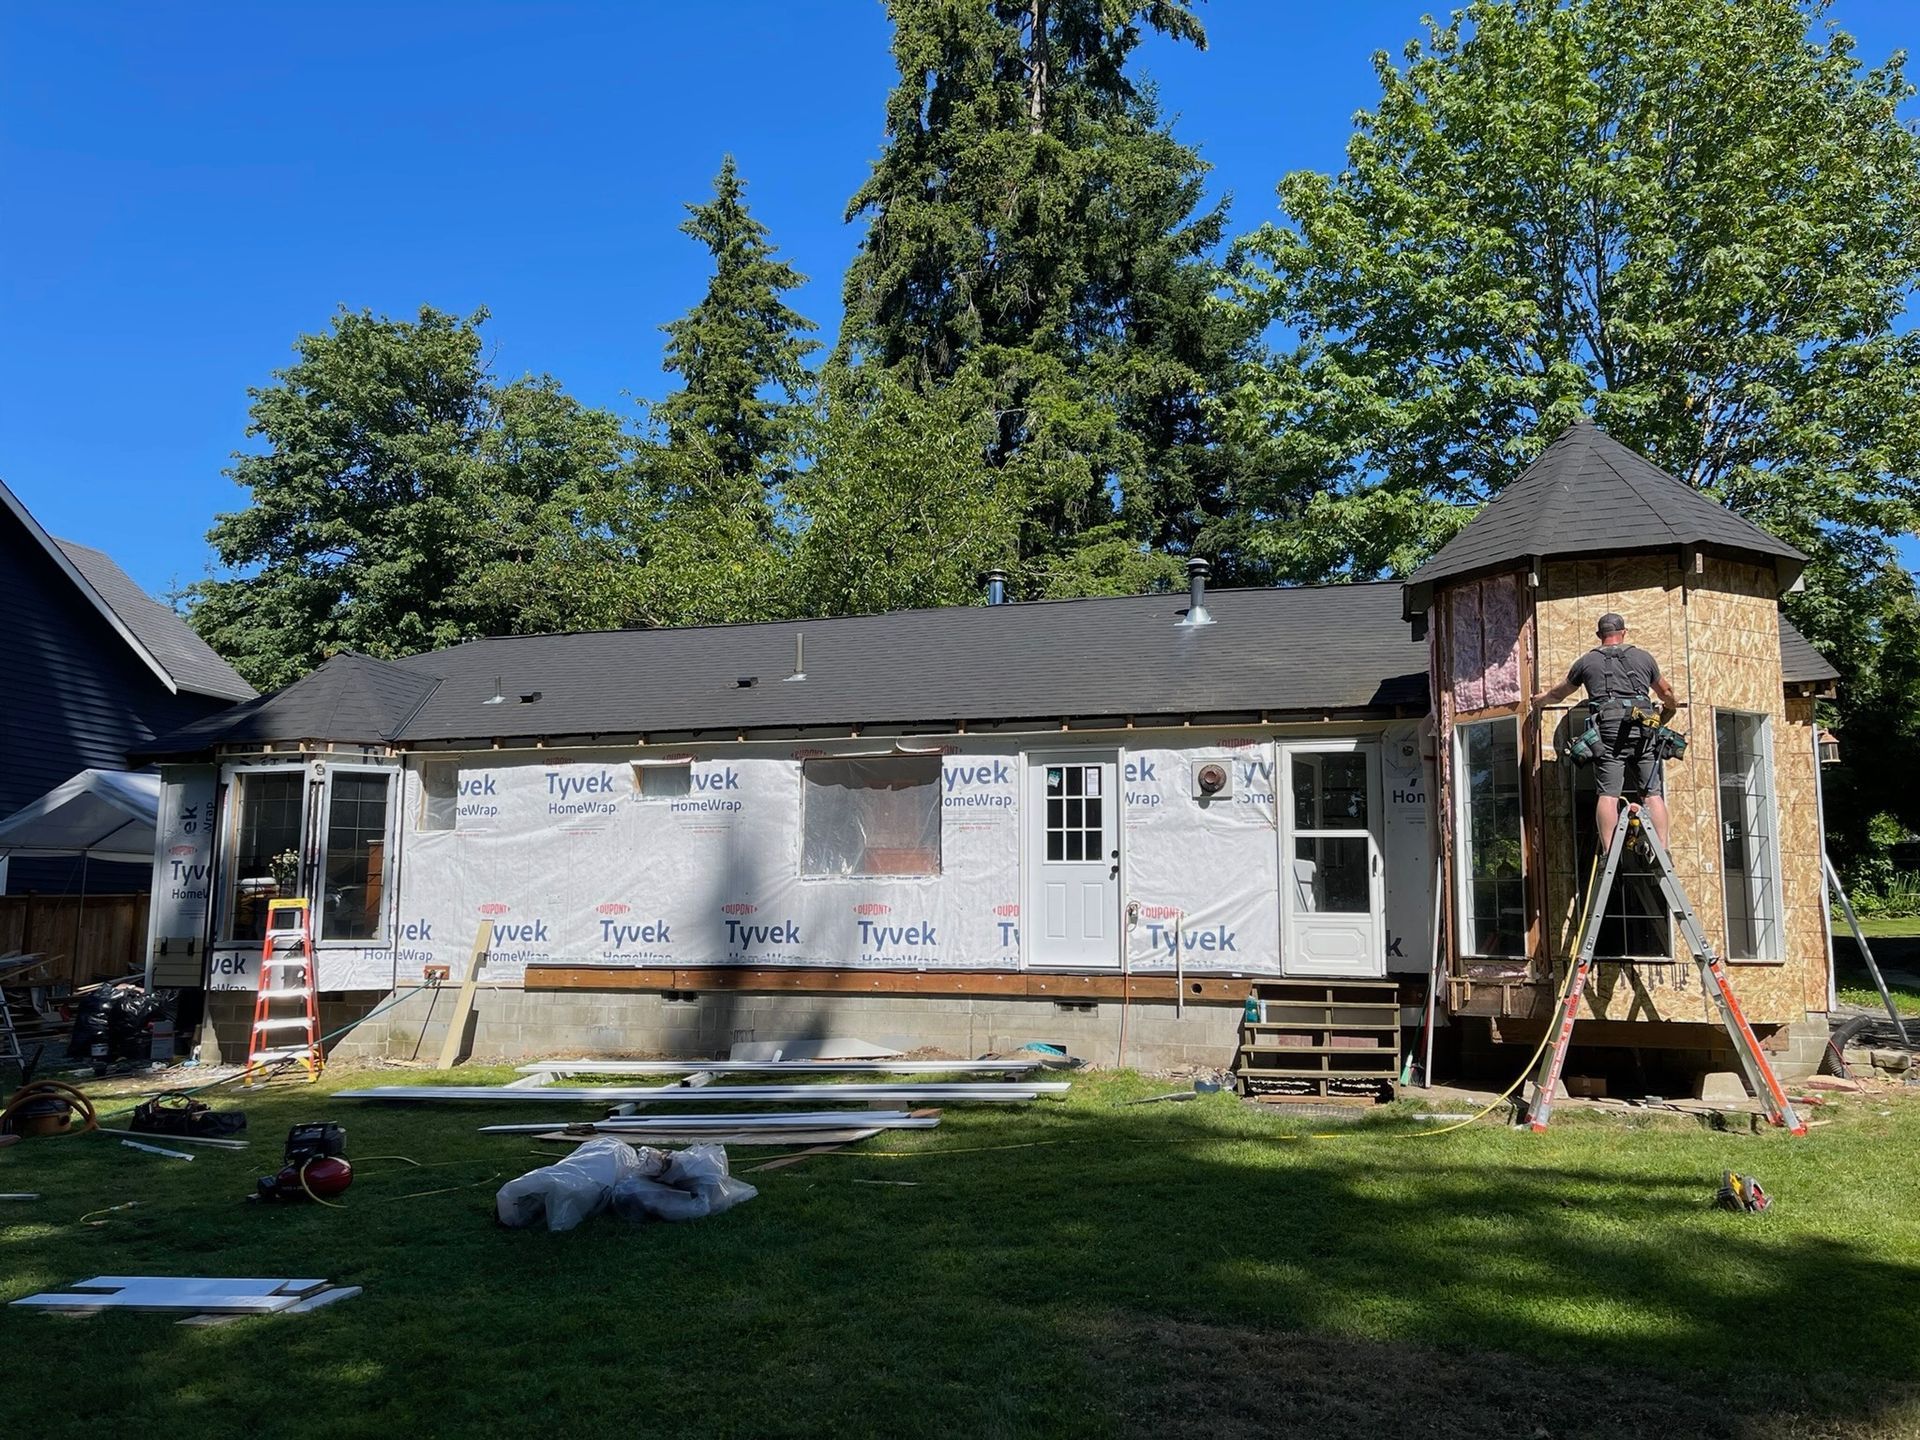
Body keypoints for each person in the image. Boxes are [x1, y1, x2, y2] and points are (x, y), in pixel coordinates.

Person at [1530, 612, 1678, 854]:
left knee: (1608, 794)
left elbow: (1559, 694)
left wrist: (1540, 700)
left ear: (1600, 636)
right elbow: (1666, 692)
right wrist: (1671, 705)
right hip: (1643, 728)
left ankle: (1610, 852)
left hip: (1609, 731)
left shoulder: (1586, 662)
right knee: (1652, 794)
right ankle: (1662, 848)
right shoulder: (1643, 658)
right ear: (1624, 632)